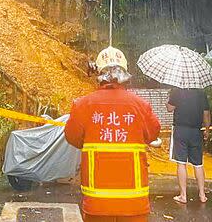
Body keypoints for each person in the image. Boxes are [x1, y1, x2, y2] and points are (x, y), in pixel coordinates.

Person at [64, 46, 161, 222]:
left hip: (97, 201)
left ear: (99, 74)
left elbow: (72, 137)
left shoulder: (82, 105)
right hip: (134, 201)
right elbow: (153, 133)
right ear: (125, 74)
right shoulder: (140, 105)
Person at [166, 88, 211, 203]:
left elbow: (170, 108)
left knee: (181, 163)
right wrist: (207, 129)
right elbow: (206, 113)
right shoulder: (201, 92)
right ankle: (202, 195)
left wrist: (168, 100)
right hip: (196, 131)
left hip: (180, 130)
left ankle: (183, 195)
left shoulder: (177, 90)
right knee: (198, 164)